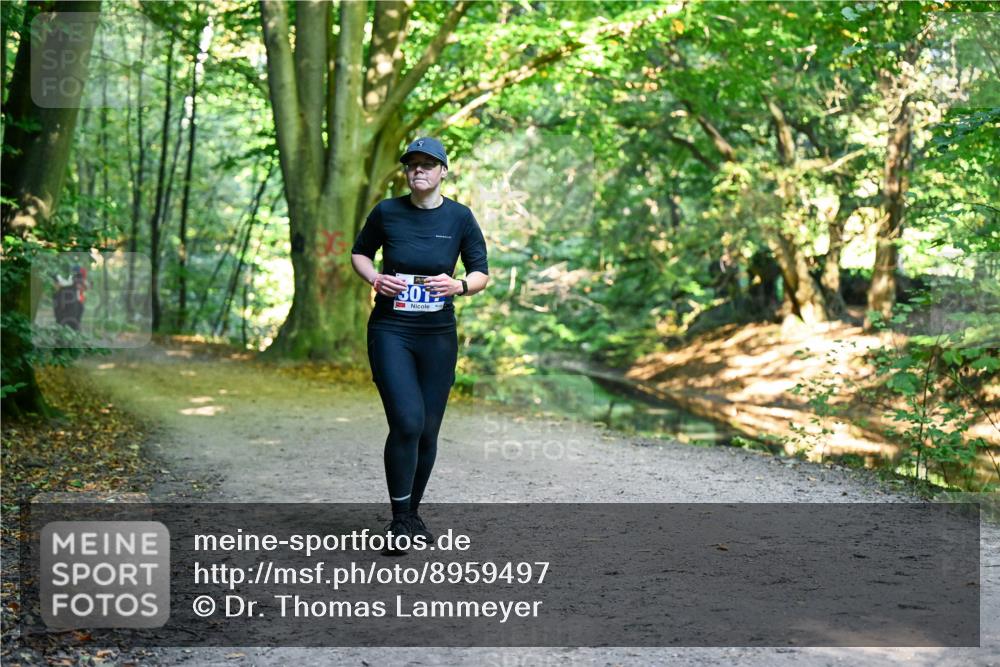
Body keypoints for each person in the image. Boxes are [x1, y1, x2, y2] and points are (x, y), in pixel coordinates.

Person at [351, 137, 489, 550]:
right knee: (408, 422)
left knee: (428, 431)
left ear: (443, 171)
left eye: (428, 164)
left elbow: (481, 272)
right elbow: (359, 253)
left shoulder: (460, 218)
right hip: (391, 331)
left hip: (438, 336)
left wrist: (459, 285)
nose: (419, 171)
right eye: (412, 164)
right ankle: (398, 520)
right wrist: (375, 278)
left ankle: (411, 516)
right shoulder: (387, 212)